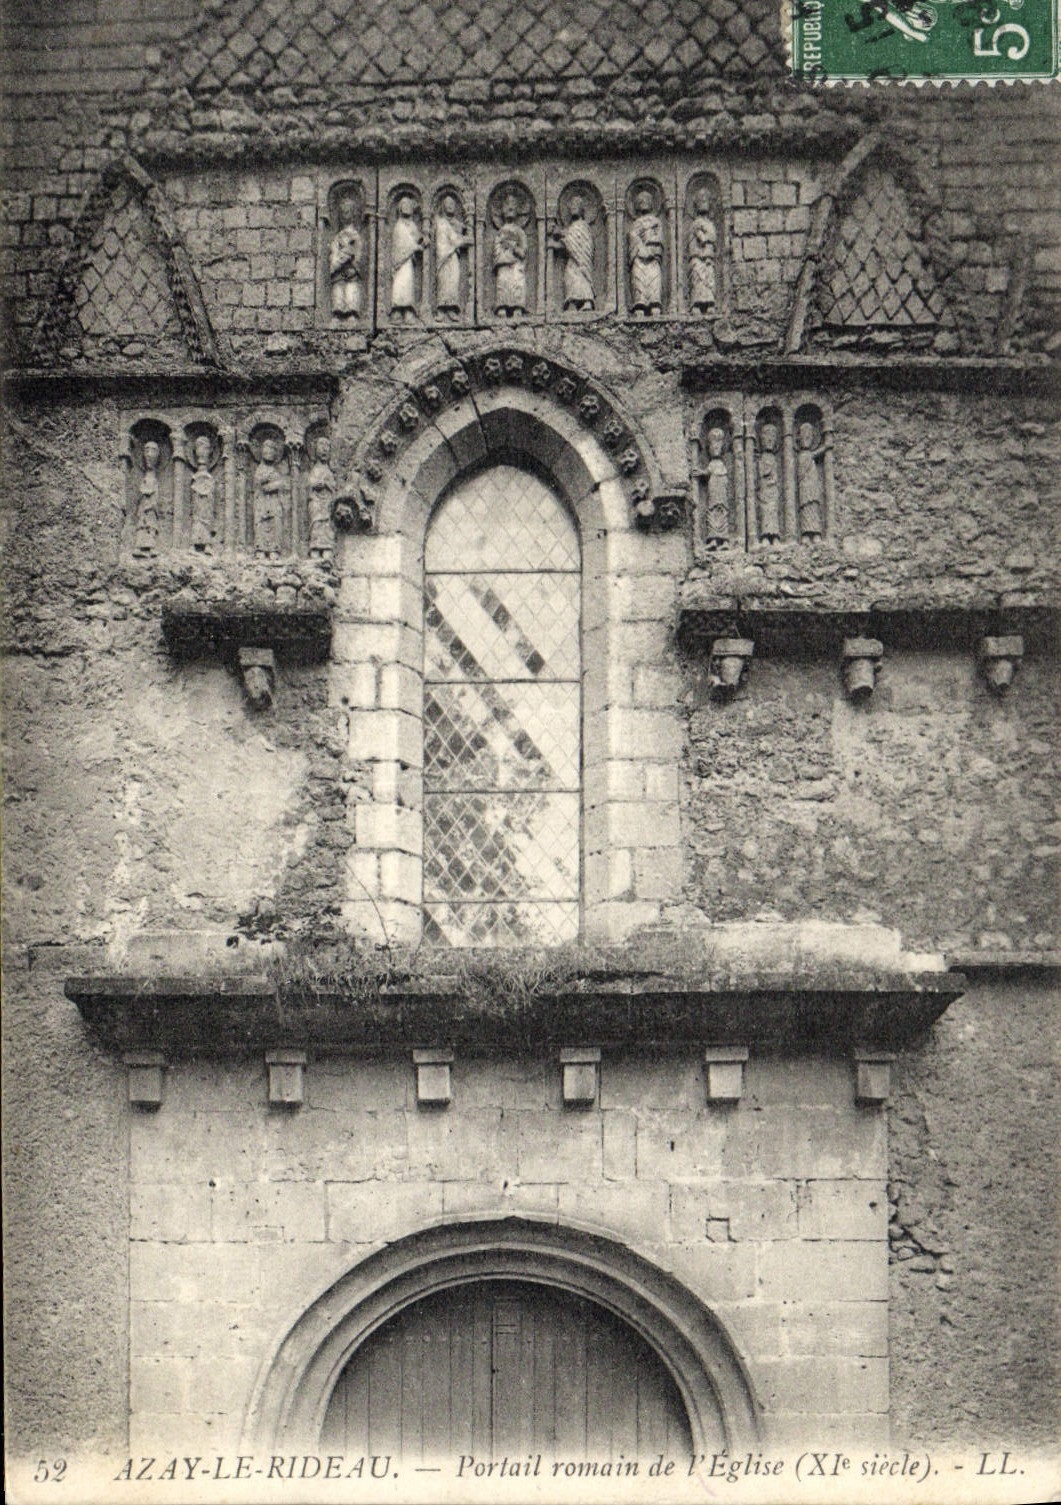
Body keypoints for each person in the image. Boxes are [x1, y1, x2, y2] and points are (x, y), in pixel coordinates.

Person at [551, 195, 595, 311]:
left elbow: (574, 241)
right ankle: (573, 303)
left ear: (582, 209)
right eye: (572, 206)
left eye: (577, 205)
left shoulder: (583, 225)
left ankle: (587, 302)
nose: (573, 208)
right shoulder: (571, 227)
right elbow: (569, 240)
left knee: (581, 276)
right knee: (570, 277)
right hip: (573, 259)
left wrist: (559, 235)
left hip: (582, 260)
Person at [627, 189, 664, 316]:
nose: (644, 203)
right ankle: (640, 303)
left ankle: (655, 304)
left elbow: (659, 238)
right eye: (641, 201)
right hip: (639, 257)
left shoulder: (656, 222)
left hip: (653, 256)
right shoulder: (635, 223)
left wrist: (650, 242)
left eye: (646, 200)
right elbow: (632, 236)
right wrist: (641, 246)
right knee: (638, 278)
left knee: (654, 279)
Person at [434, 194, 470, 320]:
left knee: (453, 282)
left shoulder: (457, 224)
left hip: (454, 256)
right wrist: (465, 240)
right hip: (444, 256)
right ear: (443, 206)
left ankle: (451, 309)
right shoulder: (440, 222)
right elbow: (449, 240)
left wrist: (465, 232)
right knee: (443, 281)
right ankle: (441, 309)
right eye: (448, 203)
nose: (450, 206)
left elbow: (460, 235)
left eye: (453, 204)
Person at [492, 194, 528, 317]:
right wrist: (501, 255)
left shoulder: (520, 232)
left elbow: (523, 252)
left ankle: (517, 307)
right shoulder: (500, 232)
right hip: (503, 263)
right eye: (507, 205)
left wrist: (513, 248)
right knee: (502, 282)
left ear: (518, 210)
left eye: (513, 205)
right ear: (502, 210)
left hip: (516, 264)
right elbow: (496, 250)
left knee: (517, 282)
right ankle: (502, 306)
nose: (510, 207)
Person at [390, 196, 424, 322]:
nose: (407, 208)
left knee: (408, 283)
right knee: (400, 283)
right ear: (400, 209)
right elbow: (402, 242)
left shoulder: (412, 225)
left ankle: (409, 310)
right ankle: (397, 311)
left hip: (409, 261)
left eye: (409, 206)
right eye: (404, 206)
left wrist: (423, 239)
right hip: (401, 262)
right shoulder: (399, 225)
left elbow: (417, 238)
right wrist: (415, 247)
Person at [330, 193, 363, 318]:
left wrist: (354, 262)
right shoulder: (337, 237)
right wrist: (339, 258)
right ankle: (337, 313)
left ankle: (352, 313)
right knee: (338, 292)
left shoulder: (355, 236)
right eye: (343, 213)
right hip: (338, 274)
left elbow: (358, 254)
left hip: (351, 273)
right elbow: (334, 255)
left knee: (351, 291)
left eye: (348, 212)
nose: (345, 216)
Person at [253, 437, 285, 557]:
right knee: (261, 524)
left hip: (274, 503)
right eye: (267, 449)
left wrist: (275, 485)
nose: (269, 452)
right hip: (261, 502)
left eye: (272, 450)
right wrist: (265, 481)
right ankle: (260, 549)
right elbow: (258, 484)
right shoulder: (259, 470)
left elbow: (281, 485)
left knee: (275, 524)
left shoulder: (276, 472)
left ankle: (274, 550)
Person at [306, 435, 337, 560]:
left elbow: (334, 487)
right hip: (316, 502)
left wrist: (327, 485)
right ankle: (314, 548)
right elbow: (309, 485)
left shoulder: (329, 471)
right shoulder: (314, 469)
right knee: (316, 523)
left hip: (327, 502)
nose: (324, 449)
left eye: (327, 447)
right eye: (321, 446)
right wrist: (315, 485)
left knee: (327, 524)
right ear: (315, 450)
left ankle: (327, 548)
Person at [687, 190, 717, 314]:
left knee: (709, 279)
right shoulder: (695, 224)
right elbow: (703, 239)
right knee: (698, 278)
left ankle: (710, 303)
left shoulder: (710, 224)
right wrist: (706, 236)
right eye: (700, 201)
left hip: (708, 258)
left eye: (705, 201)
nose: (703, 203)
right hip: (697, 257)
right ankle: (696, 304)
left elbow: (713, 238)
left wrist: (708, 235)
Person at [796, 422, 825, 541]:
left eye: (809, 437)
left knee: (813, 509)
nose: (807, 439)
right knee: (806, 510)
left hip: (813, 487)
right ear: (799, 439)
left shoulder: (807, 455)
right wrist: (826, 447)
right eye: (804, 436)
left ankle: (816, 533)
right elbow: (813, 455)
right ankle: (806, 534)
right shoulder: (803, 456)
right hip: (805, 487)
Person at [188, 434, 216, 554]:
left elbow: (210, 489)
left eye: (205, 448)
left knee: (206, 520)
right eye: (199, 447)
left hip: (207, 505)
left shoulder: (209, 477)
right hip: (198, 505)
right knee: (197, 521)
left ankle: (208, 544)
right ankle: (193, 545)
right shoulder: (195, 476)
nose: (202, 451)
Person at [133, 439, 161, 557]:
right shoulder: (145, 478)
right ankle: (138, 549)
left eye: (153, 451)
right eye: (147, 450)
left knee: (151, 525)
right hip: (144, 506)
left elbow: (156, 495)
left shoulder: (154, 479)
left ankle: (151, 548)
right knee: (142, 525)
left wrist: (153, 504)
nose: (149, 454)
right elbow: (139, 494)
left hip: (151, 508)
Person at [703, 426, 731, 541]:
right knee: (713, 510)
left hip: (721, 490)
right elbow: (708, 472)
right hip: (713, 489)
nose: (715, 447)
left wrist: (700, 472)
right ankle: (713, 537)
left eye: (718, 445)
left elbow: (709, 472)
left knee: (722, 510)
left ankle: (724, 539)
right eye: (713, 445)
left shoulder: (719, 463)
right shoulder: (713, 463)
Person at [757, 423, 782, 543]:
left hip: (773, 490)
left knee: (773, 510)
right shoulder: (763, 457)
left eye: (773, 437)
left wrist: (774, 479)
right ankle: (765, 536)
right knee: (765, 510)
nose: (770, 440)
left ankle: (775, 536)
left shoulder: (772, 457)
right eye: (767, 437)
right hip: (765, 489)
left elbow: (775, 474)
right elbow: (764, 472)